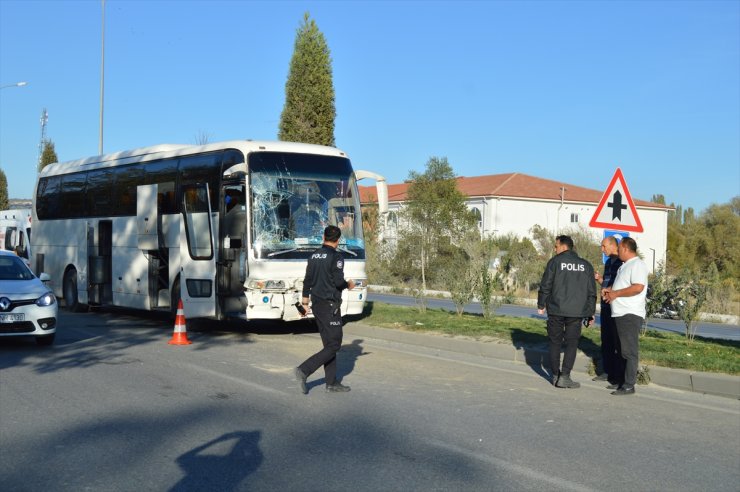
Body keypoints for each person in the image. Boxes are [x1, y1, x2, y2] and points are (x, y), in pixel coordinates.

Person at [294, 225, 355, 394]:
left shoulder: (314, 255)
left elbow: (308, 281)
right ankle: (304, 370)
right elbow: (338, 282)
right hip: (330, 306)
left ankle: (331, 382)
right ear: (338, 239)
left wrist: (304, 304)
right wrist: (348, 285)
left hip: (318, 305)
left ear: (323, 237)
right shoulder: (337, 257)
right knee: (334, 344)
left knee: (329, 344)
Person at [537, 235, 596, 388]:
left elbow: (546, 284)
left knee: (555, 342)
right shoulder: (586, 265)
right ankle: (565, 376)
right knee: (571, 344)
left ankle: (555, 375)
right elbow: (591, 292)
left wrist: (541, 304)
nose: (554, 249)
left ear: (564, 247)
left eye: (556, 246)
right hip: (576, 313)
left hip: (556, 309)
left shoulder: (555, 262)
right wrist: (590, 313)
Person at [601, 237, 648, 396]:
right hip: (619, 313)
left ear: (626, 249)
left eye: (619, 248)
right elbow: (622, 285)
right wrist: (609, 289)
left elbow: (638, 287)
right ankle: (621, 381)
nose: (617, 251)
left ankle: (629, 385)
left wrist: (616, 293)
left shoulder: (637, 264)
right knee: (620, 350)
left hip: (630, 313)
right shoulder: (624, 266)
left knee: (629, 351)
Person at [593, 236, 624, 386]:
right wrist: (599, 279)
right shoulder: (608, 262)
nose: (602, 249)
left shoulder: (621, 262)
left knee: (616, 341)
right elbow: (606, 282)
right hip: (605, 306)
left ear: (613, 245)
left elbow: (620, 285)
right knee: (606, 340)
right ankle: (606, 371)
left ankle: (617, 375)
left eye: (604, 246)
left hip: (616, 307)